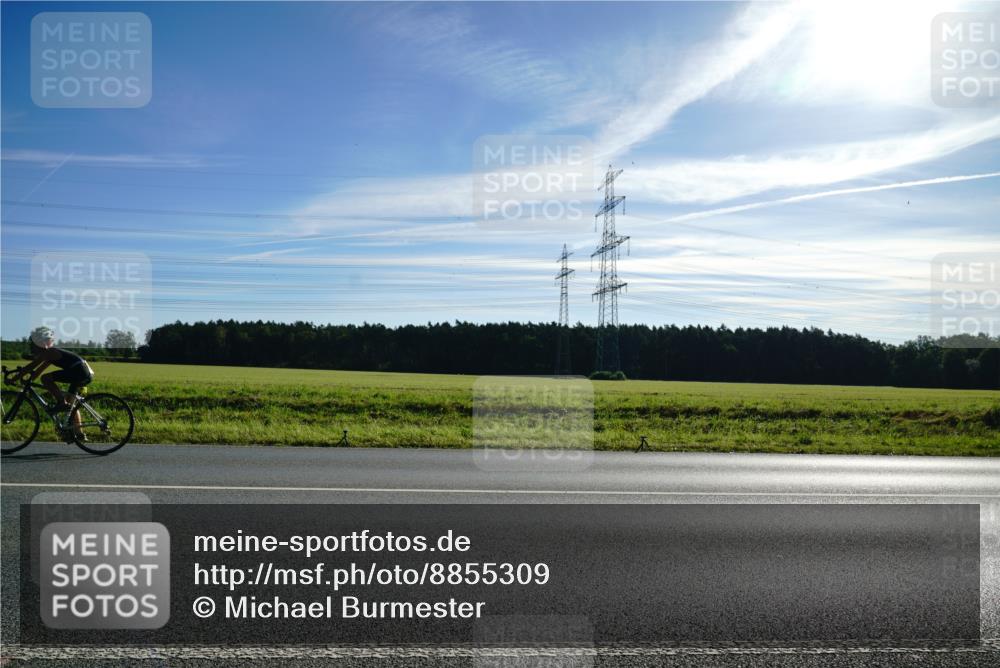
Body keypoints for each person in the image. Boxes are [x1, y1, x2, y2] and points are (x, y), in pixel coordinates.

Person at [18, 326, 94, 441]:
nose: (32, 347)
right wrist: (28, 380)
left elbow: (31, 366)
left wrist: (13, 379)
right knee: (71, 405)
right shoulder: (51, 353)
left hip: (79, 372)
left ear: (41, 343)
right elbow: (38, 370)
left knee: (46, 378)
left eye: (34, 344)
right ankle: (79, 434)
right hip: (83, 373)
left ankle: (61, 402)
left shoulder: (50, 352)